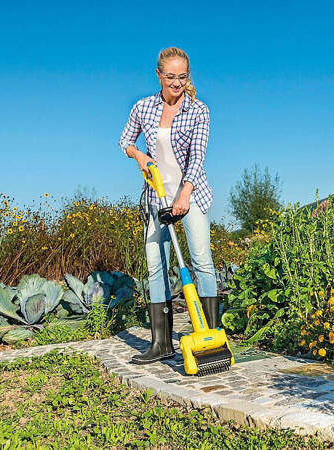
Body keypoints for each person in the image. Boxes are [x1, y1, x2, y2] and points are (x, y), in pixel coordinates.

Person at [119, 47, 220, 365]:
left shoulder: (198, 110)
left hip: (191, 194)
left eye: (183, 77)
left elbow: (198, 156)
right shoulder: (143, 107)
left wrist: (184, 195)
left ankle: (212, 337)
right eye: (171, 76)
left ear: (188, 76)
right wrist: (140, 157)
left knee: (201, 262)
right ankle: (162, 343)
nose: (177, 83)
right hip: (157, 197)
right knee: (155, 267)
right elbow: (125, 141)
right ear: (159, 75)